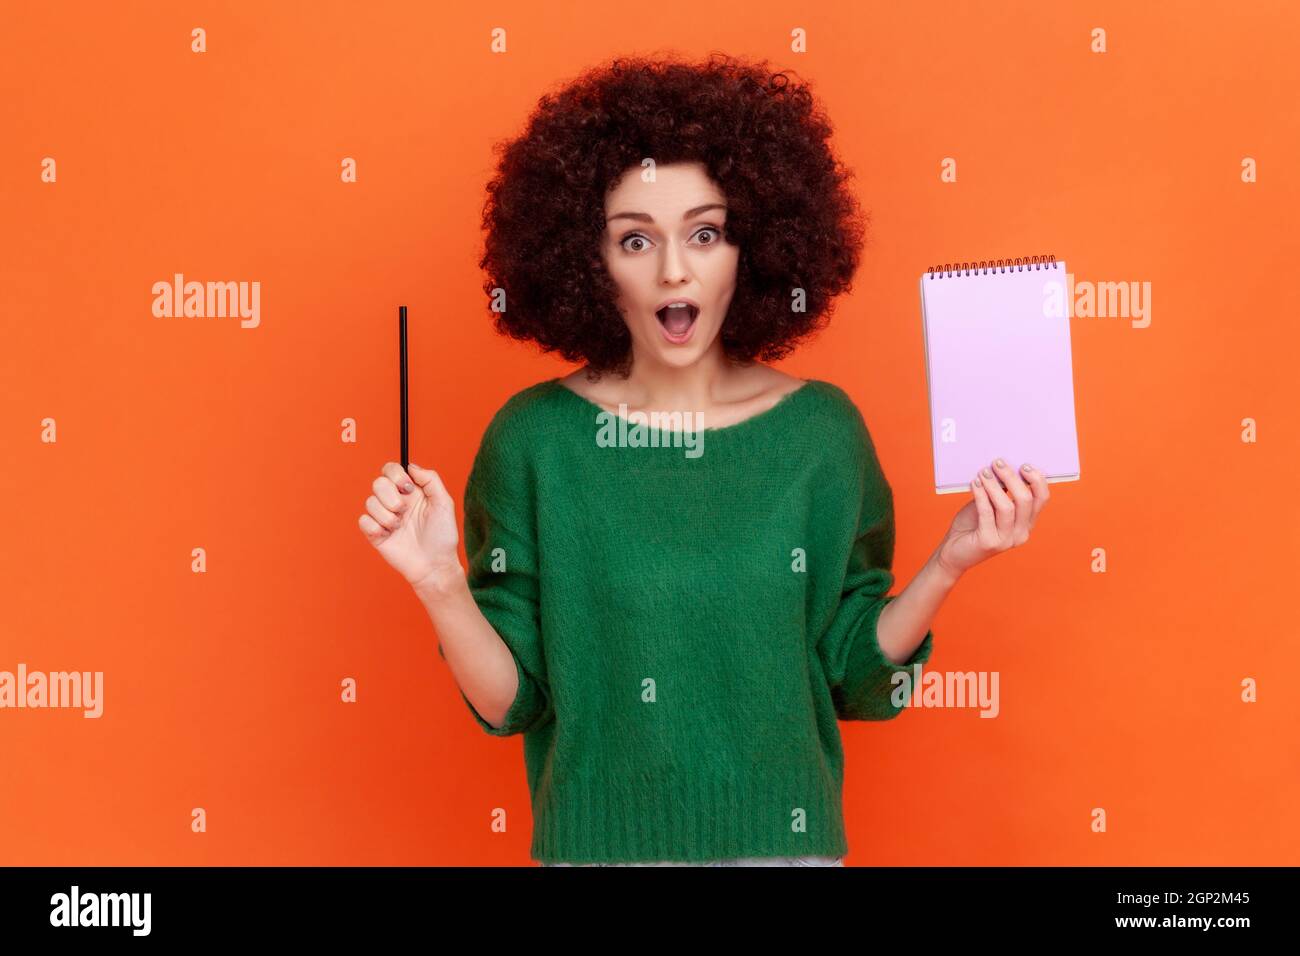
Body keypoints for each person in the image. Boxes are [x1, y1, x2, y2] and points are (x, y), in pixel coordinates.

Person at [358, 53, 1050, 867]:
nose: (674, 270)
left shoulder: (821, 436)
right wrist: (437, 581)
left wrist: (951, 561)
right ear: (588, 261)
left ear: (751, 249)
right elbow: (512, 703)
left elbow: (858, 682)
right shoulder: (533, 442)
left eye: (706, 233)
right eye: (635, 240)